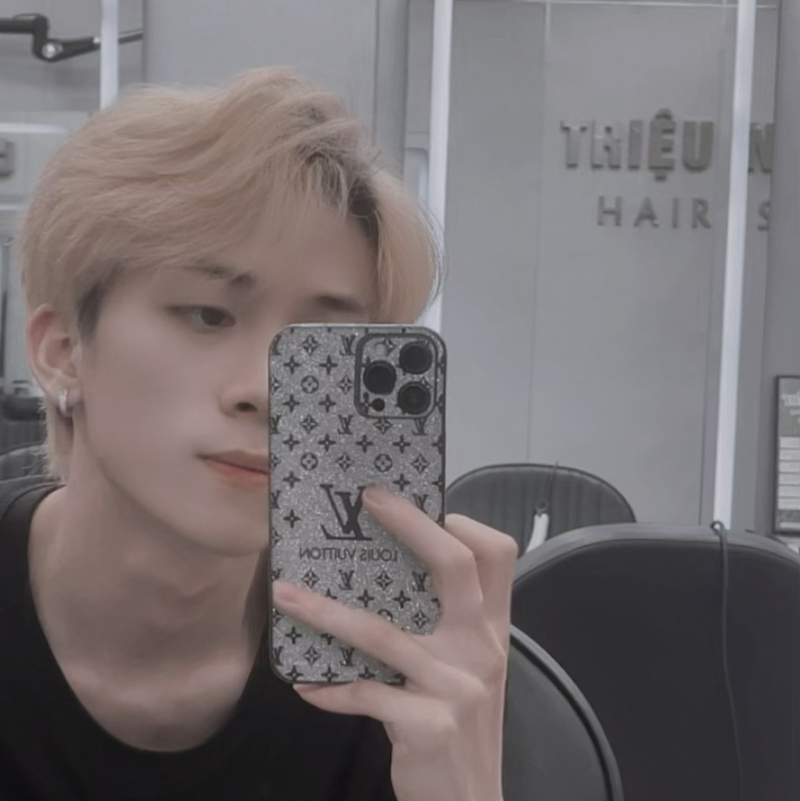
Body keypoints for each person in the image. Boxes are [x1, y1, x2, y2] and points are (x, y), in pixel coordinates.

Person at [0, 67, 518, 801]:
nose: (270, 392)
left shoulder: (399, 680)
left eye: (320, 346)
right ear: (62, 352)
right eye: (207, 315)